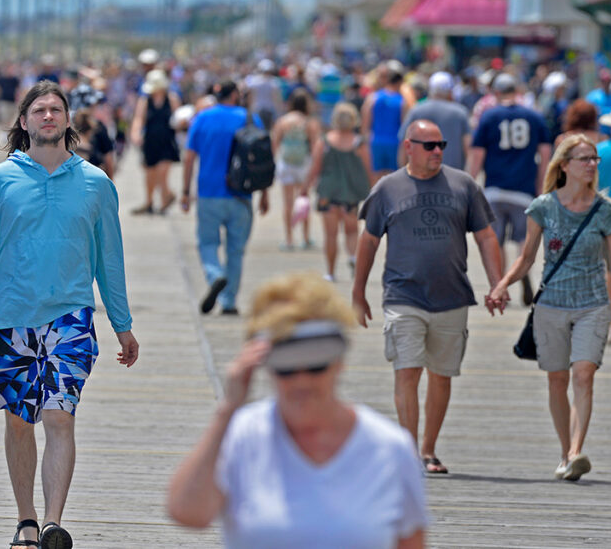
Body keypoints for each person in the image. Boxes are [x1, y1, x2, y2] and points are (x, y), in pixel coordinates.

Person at [0, 80, 138, 549]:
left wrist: (122, 324)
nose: (48, 117)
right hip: (10, 317)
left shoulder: (96, 183)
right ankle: (27, 520)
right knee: (19, 420)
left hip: (71, 317)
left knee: (60, 415)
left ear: (69, 119)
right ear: (23, 121)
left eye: (56, 109)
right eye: (39, 111)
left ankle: (54, 522)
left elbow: (108, 259)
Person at [168, 273, 429, 549]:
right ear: (263, 362)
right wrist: (228, 409)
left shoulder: (389, 449)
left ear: (339, 360)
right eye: (287, 366)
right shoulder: (244, 435)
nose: (302, 381)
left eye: (317, 365)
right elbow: (187, 512)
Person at [352, 120, 504, 474]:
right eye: (429, 145)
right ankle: (407, 452)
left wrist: (497, 283)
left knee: (441, 374)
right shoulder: (387, 188)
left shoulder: (463, 184)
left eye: (441, 145)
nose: (437, 151)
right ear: (409, 146)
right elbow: (369, 240)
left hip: (451, 295)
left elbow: (485, 237)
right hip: (403, 293)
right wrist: (358, 292)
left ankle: (428, 449)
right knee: (407, 371)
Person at [487, 135, 611, 482]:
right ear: (564, 165)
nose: (591, 164)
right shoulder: (543, 206)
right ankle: (564, 453)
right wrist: (501, 285)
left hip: (592, 304)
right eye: (584, 159)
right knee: (557, 379)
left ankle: (575, 452)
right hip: (551, 304)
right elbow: (527, 258)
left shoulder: (606, 210)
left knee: (583, 374)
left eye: (594, 160)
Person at [181, 81, 270, 316]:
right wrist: (265, 194)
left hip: (209, 191)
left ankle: (214, 274)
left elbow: (189, 158)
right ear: (234, 95)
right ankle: (229, 302)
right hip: (242, 193)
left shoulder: (202, 118)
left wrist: (185, 192)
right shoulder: (250, 119)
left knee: (208, 243)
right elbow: (263, 158)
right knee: (236, 250)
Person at [466, 78, 551, 306]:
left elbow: (477, 154)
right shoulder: (534, 117)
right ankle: (522, 275)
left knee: (496, 239)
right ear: (518, 90)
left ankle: (500, 284)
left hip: (494, 187)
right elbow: (545, 153)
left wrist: (470, 184)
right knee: (524, 238)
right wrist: (541, 185)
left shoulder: (489, 116)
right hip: (523, 189)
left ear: (496, 92)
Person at [301, 102, 371, 282]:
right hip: (351, 193)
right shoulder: (359, 142)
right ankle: (353, 257)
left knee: (330, 235)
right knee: (352, 231)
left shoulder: (324, 141)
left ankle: (331, 272)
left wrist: (305, 187)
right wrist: (373, 188)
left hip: (328, 192)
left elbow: (315, 167)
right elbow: (368, 168)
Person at [271, 88, 319, 250]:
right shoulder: (310, 122)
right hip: (303, 164)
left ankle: (289, 239)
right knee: (304, 200)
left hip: (286, 164)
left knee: (288, 203)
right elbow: (314, 148)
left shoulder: (283, 121)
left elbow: (275, 144)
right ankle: (305, 238)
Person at [130, 69, 181, 214]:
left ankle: (166, 198)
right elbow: (139, 119)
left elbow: (178, 119)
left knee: (162, 171)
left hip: (167, 141)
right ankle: (150, 202)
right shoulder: (145, 101)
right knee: (150, 173)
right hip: (150, 141)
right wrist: (135, 133)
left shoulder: (172, 99)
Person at [398, 71, 471, 170]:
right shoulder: (461, 112)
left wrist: (404, 173)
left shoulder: (416, 110)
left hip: (421, 176)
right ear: (450, 91)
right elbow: (469, 147)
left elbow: (404, 144)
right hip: (453, 177)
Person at [362, 69, 409, 182]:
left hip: (376, 141)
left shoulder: (373, 97)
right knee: (394, 176)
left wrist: (366, 140)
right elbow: (404, 124)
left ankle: (378, 198)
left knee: (376, 175)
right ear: (399, 83)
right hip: (394, 142)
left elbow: (365, 121)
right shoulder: (402, 101)